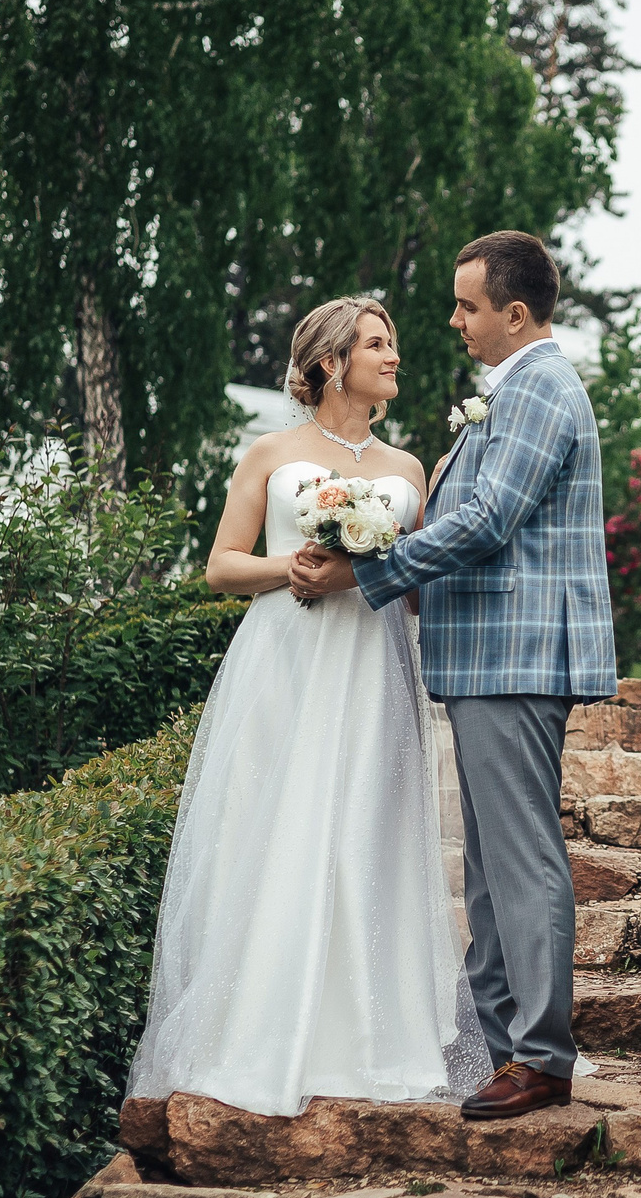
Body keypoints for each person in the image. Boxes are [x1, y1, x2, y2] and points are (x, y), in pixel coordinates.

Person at [127, 295, 490, 1114]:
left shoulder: (408, 469)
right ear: (331, 362)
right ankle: (263, 1029)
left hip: (374, 664)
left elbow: (418, 586)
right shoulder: (272, 451)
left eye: (392, 342)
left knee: (369, 827)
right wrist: (289, 567)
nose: (394, 356)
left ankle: (370, 1035)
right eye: (377, 343)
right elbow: (222, 565)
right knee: (279, 826)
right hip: (286, 659)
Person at [305, 231, 619, 1121]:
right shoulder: (513, 389)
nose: (453, 320)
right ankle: (494, 1042)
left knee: (520, 861)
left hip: (516, 655)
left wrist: (370, 572)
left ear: (515, 314)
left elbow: (486, 520)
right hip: (488, 655)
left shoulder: (541, 387)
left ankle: (542, 1056)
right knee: (487, 868)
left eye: (467, 305)